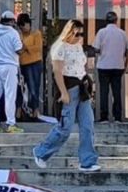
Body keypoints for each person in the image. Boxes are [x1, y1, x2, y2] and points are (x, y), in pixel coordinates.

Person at [32, 20, 100, 172]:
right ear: (70, 32)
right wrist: (63, 92)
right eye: (77, 34)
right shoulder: (60, 47)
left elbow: (81, 66)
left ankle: (87, 161)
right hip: (69, 87)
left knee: (87, 124)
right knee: (65, 127)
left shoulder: (78, 46)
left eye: (82, 34)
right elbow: (57, 72)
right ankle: (42, 152)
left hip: (82, 86)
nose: (79, 37)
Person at [0, 11, 23, 133]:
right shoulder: (13, 33)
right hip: (9, 66)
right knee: (10, 95)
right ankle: (11, 124)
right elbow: (19, 50)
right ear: (12, 21)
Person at [92, 11, 128, 123]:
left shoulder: (102, 32)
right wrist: (126, 63)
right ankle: (117, 116)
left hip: (104, 65)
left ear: (106, 20)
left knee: (104, 92)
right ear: (116, 20)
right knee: (117, 92)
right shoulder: (122, 33)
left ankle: (104, 116)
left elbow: (96, 48)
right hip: (118, 65)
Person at [17, 14, 44, 120]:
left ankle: (35, 110)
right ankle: (19, 110)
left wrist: (25, 47)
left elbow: (38, 48)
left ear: (28, 24)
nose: (22, 28)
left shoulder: (36, 33)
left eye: (23, 25)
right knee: (19, 88)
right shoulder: (19, 35)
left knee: (33, 88)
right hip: (22, 64)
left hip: (34, 63)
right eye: (20, 26)